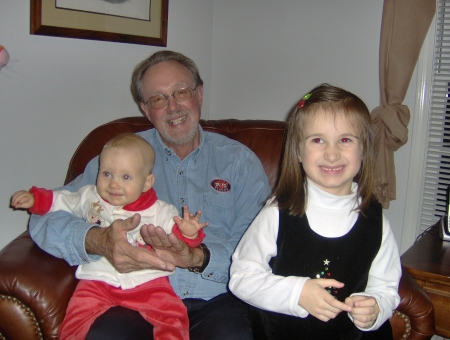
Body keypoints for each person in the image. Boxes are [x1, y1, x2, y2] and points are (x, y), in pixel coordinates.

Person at [27, 50, 271, 339]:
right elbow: (43, 217)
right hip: (131, 296)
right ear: (145, 109)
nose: (172, 107)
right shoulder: (119, 158)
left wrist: (197, 257)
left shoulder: (239, 163)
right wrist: (97, 240)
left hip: (218, 299)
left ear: (199, 94)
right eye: (158, 99)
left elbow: (261, 248)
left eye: (181, 92)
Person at [229, 84, 401, 339]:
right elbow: (241, 278)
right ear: (298, 150)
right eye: (318, 140)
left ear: (364, 149)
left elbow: (386, 287)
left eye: (345, 140)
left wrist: (375, 307)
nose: (332, 154)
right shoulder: (277, 213)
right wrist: (298, 292)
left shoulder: (376, 220)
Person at [11, 133, 208, 339]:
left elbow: (178, 239)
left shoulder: (159, 210)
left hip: (148, 281)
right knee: (75, 319)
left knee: (173, 315)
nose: (114, 184)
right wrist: (35, 199)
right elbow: (60, 200)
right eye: (106, 174)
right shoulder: (90, 197)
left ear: (147, 183)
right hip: (97, 280)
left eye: (125, 177)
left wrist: (189, 232)